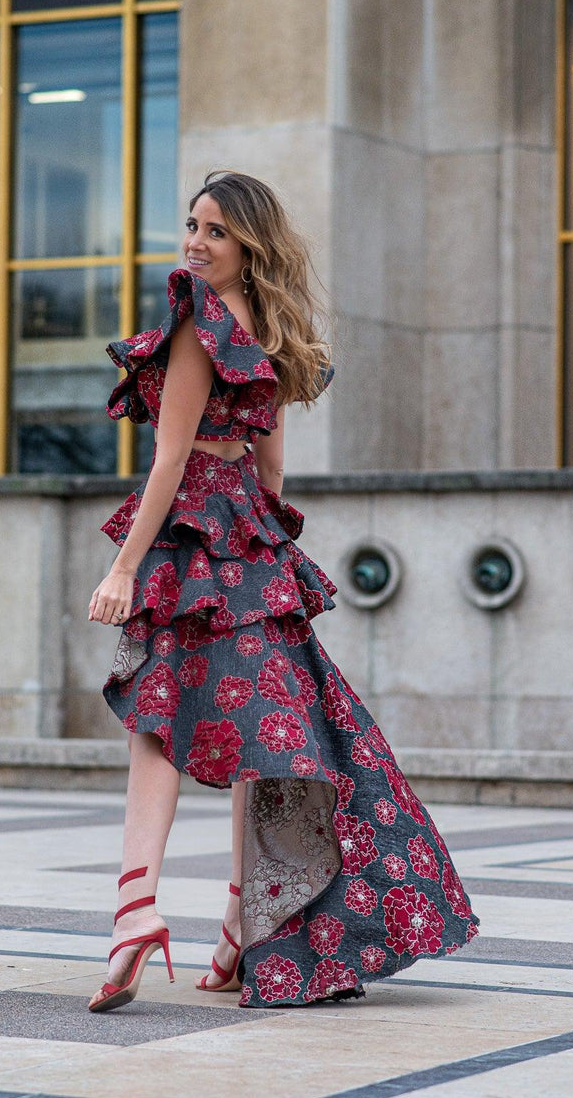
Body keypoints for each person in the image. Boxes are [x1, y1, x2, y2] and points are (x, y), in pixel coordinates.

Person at [87, 170, 478, 1012]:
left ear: (249, 244)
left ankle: (133, 910)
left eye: (215, 231)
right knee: (257, 738)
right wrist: (266, 553)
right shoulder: (271, 331)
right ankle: (238, 927)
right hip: (250, 538)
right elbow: (270, 469)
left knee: (158, 718)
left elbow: (168, 459)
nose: (196, 241)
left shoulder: (198, 324)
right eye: (192, 224)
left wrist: (124, 565)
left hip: (195, 534)